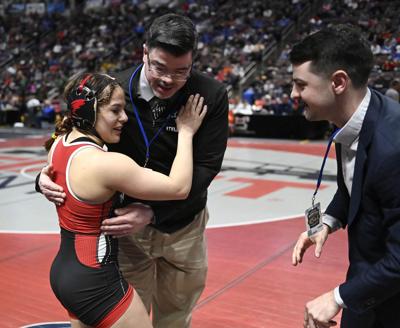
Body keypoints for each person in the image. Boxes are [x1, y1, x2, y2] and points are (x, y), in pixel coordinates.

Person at [37, 13, 229, 328]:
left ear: (194, 62)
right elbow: (71, 130)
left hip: (183, 225)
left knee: (176, 316)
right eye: (159, 67)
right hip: (125, 232)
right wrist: (44, 176)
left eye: (182, 71)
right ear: (144, 53)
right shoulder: (113, 90)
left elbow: (207, 167)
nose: (168, 79)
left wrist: (153, 212)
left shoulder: (209, 95)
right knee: (123, 315)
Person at [45, 72, 206, 327]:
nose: (124, 118)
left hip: (66, 272)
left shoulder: (60, 144)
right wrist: (185, 132)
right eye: (115, 110)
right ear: (88, 112)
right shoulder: (106, 164)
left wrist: (39, 180)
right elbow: (179, 188)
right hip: (95, 280)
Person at [290, 24, 400, 328]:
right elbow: (355, 184)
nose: (293, 93)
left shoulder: (393, 149)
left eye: (301, 84)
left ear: (338, 82)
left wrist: (336, 298)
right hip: (367, 285)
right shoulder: (353, 115)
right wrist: (328, 222)